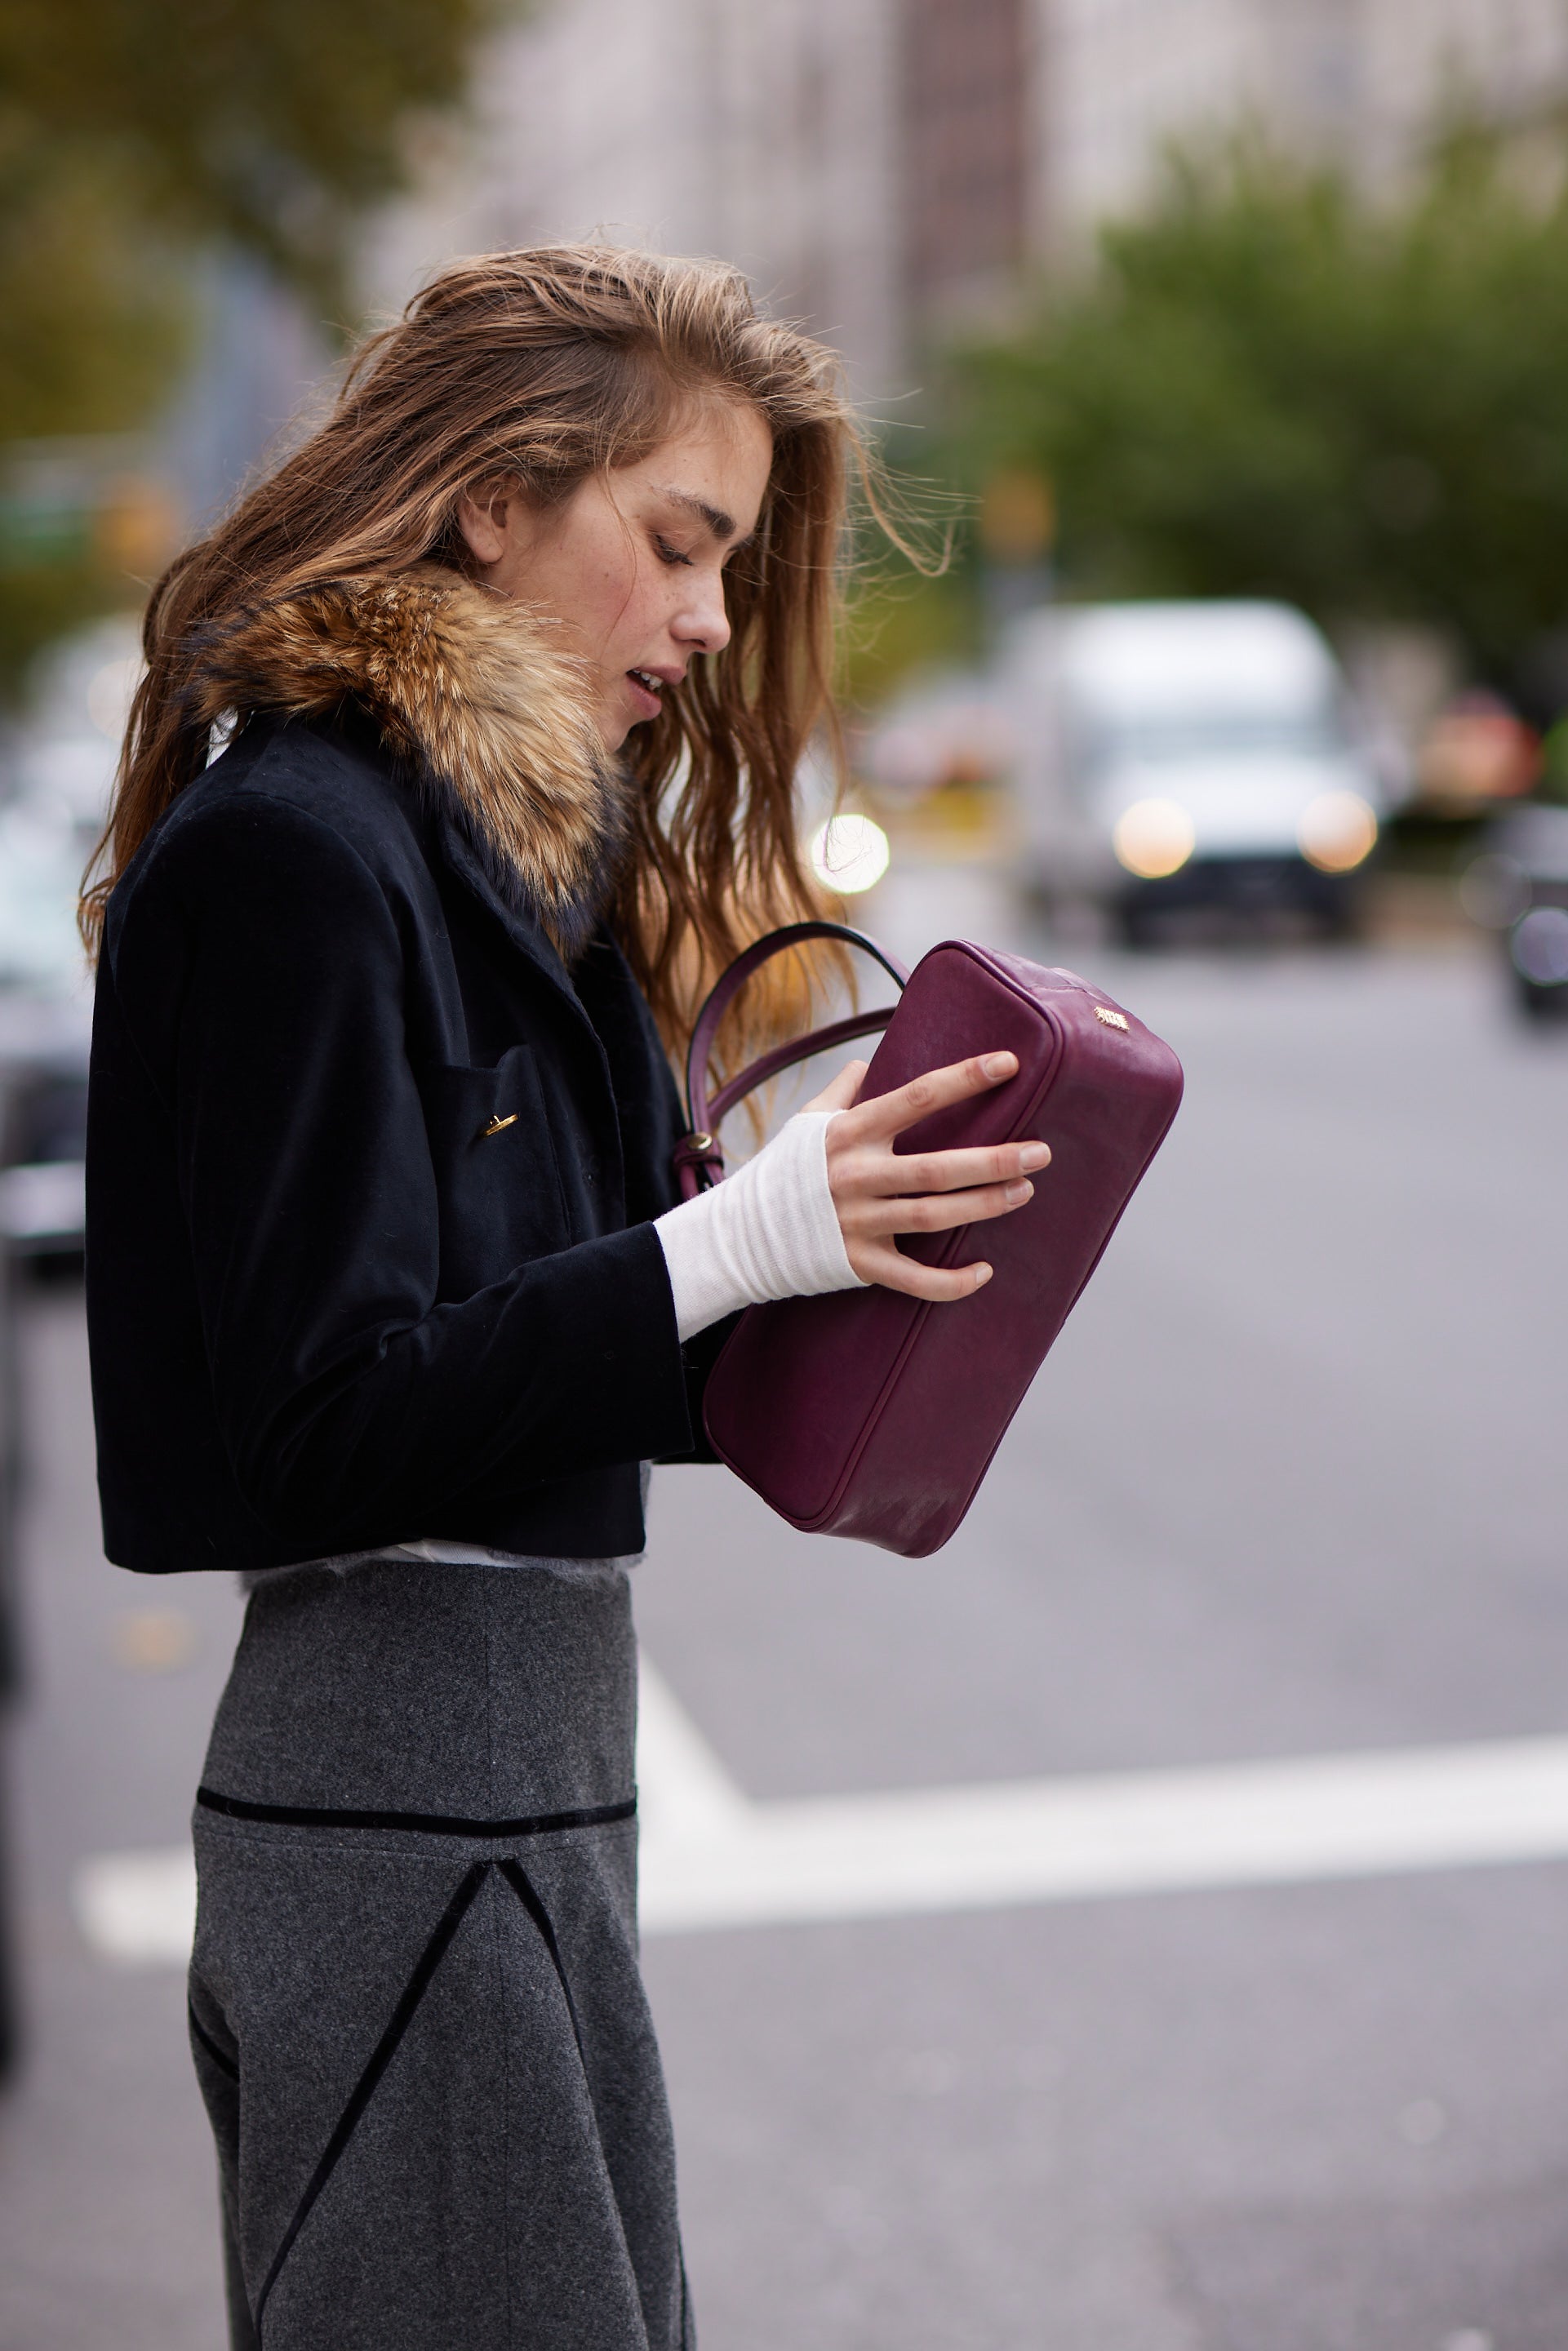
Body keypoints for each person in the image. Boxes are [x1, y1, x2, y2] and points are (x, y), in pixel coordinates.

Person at [82, 246, 1049, 2351]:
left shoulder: (510, 877)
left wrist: (882, 1261)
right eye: (676, 543)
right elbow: (317, 1424)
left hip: (519, 1785)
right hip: (408, 1798)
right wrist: (733, 1247)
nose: (710, 622)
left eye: (727, 565)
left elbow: (575, 1339)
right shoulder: (296, 857)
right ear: (492, 499)